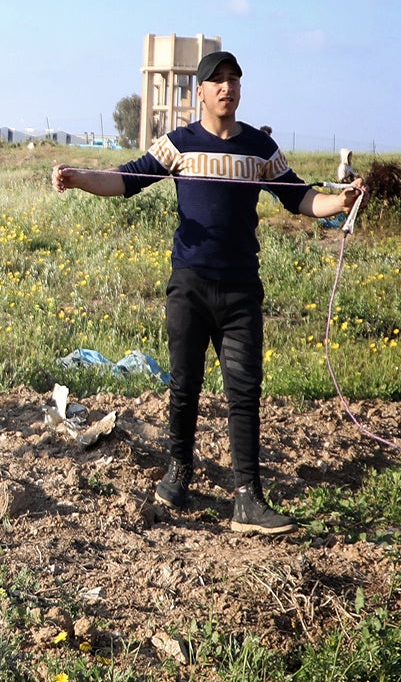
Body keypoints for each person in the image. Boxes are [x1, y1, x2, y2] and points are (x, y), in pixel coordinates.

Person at [51, 51, 363, 535]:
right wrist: (78, 178)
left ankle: (248, 499)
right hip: (190, 286)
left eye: (234, 80)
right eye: (216, 81)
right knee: (184, 384)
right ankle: (178, 473)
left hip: (241, 290)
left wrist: (338, 202)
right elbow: (127, 179)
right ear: (198, 92)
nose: (227, 88)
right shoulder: (179, 144)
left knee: (244, 391)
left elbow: (300, 196)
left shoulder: (261, 148)